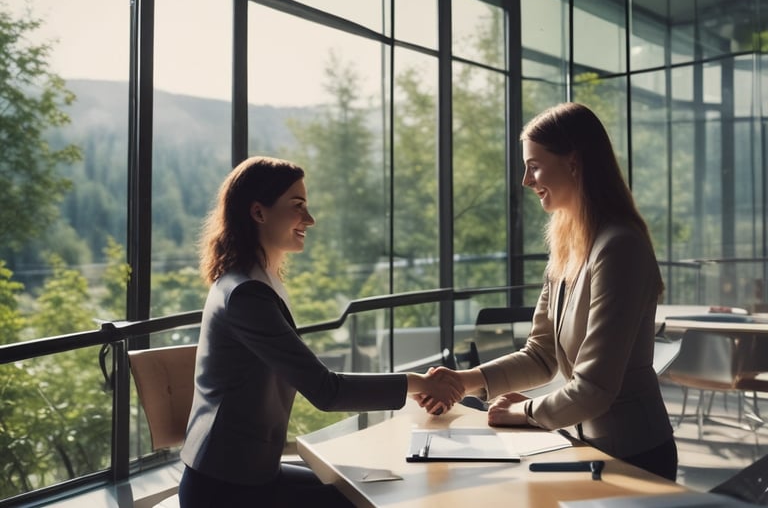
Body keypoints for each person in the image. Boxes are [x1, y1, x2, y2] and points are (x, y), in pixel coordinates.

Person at [179, 156, 463, 508]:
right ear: (258, 212)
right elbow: (326, 391)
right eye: (297, 207)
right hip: (228, 490)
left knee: (371, 489)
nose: (309, 220)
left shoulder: (252, 280)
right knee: (367, 498)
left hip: (253, 474)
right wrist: (421, 383)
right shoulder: (246, 294)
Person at [425, 102, 678, 481]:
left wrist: (524, 412)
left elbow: (594, 388)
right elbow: (541, 355)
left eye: (534, 165)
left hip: (635, 456)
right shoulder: (568, 245)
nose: (526, 180)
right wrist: (464, 381)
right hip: (590, 449)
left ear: (573, 163)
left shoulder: (620, 247)